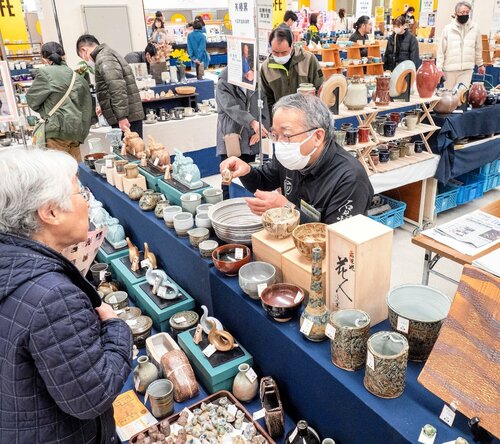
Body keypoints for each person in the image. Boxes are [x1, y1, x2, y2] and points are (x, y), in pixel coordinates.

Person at [0, 147, 133, 443]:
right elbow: (91, 396)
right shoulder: (52, 296)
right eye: (80, 193)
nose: (87, 203)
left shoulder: (11, 262)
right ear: (50, 212)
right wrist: (117, 328)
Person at [220, 94, 373, 223]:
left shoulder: (350, 179)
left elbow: (335, 238)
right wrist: (246, 171)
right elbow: (264, 181)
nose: (279, 142)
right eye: (275, 135)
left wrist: (286, 209)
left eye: (286, 135)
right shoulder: (290, 156)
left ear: (317, 137)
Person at [26, 42, 92, 162]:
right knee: (75, 171)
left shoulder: (45, 73)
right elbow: (87, 107)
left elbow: (32, 100)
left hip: (56, 130)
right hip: (75, 131)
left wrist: (46, 111)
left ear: (45, 59)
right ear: (64, 55)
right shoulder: (77, 76)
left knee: (59, 173)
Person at [216, 67, 269, 199]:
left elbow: (264, 108)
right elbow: (231, 107)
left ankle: (248, 210)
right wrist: (252, 122)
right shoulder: (224, 80)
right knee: (228, 177)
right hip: (232, 137)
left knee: (248, 177)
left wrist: (261, 129)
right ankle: (226, 208)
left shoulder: (257, 78)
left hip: (251, 139)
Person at [76, 34, 145, 137]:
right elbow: (110, 86)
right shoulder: (106, 54)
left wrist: (122, 117)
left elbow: (117, 87)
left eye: (83, 57)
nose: (86, 60)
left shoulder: (104, 58)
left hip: (126, 117)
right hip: (128, 114)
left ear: (84, 50)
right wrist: (104, 106)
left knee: (130, 151)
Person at [260, 27, 324, 119]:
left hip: (308, 118)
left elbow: (320, 89)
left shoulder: (308, 60)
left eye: (284, 52)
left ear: (292, 45)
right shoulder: (266, 68)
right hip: (282, 120)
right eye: (275, 52)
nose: (279, 56)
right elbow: (267, 100)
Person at [437, 1, 485, 89]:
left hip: (467, 69)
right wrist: (439, 68)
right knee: (449, 97)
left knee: (462, 97)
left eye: (467, 12)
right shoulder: (448, 29)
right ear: (456, 13)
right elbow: (441, 51)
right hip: (449, 69)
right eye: (462, 12)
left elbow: (478, 48)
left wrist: (480, 64)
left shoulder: (475, 28)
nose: (465, 14)